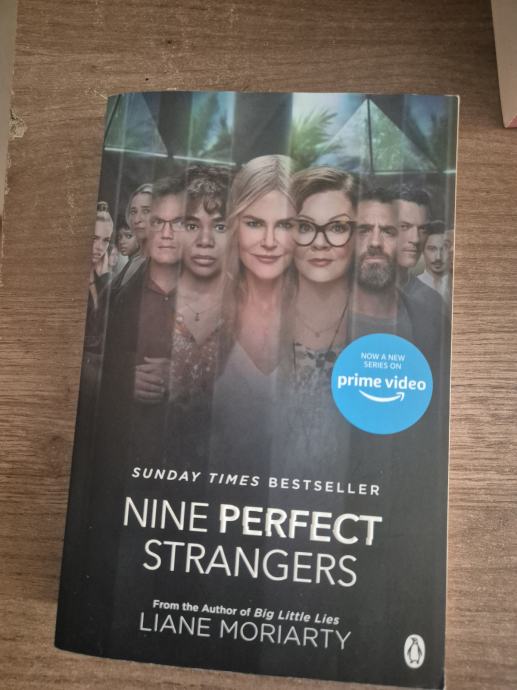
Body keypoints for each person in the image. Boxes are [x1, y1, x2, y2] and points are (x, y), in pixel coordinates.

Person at [210, 155, 296, 474]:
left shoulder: (329, 314)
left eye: (284, 225)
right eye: (254, 223)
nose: (269, 242)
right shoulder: (202, 306)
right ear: (235, 226)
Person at [418, 220, 452, 303]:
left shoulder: (457, 285)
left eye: (444, 249)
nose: (438, 258)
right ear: (423, 251)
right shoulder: (412, 288)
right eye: (432, 249)